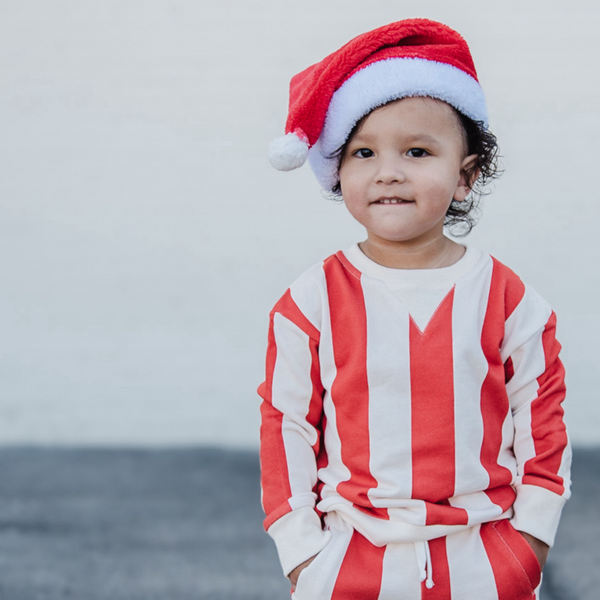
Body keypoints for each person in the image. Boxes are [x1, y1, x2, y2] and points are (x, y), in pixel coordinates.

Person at [258, 18, 571, 600]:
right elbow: (288, 426)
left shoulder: (510, 299)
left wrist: (530, 543)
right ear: (338, 170)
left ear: (465, 176)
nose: (389, 171)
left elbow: (541, 424)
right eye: (364, 152)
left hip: (485, 556)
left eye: (418, 150)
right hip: (349, 555)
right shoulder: (310, 301)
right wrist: (303, 553)